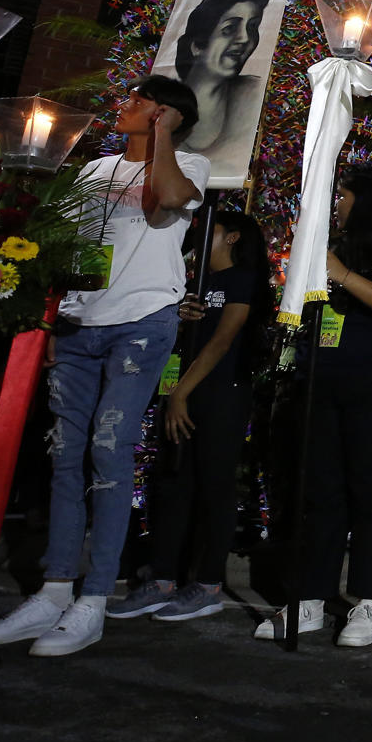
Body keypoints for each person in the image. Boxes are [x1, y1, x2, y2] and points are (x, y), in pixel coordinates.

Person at [0, 76, 208, 657]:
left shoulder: (189, 164)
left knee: (109, 446)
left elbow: (170, 198)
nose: (125, 106)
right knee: (64, 452)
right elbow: (66, 245)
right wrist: (55, 318)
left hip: (141, 319)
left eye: (139, 102)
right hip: (80, 323)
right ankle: (53, 592)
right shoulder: (94, 170)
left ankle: (94, 598)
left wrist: (164, 137)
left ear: (166, 113)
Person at [253, 165, 372, 647]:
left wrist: (342, 275)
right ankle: (311, 598)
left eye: (342, 196)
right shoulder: (335, 247)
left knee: (371, 495)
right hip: (323, 385)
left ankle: (367, 599)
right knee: (321, 494)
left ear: (365, 200)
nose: (336, 205)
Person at [109, 210, 273, 623]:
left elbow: (223, 340)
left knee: (215, 485)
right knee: (173, 481)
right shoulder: (192, 280)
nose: (198, 235)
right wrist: (178, 319)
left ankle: (207, 584)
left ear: (232, 237)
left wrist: (181, 392)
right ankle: (163, 577)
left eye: (210, 228)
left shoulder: (242, 278)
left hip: (222, 391)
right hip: (181, 390)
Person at [172, 0, 271, 172]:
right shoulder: (164, 102)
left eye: (252, 26)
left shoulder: (255, 93)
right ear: (197, 45)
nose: (244, 38)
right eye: (230, 28)